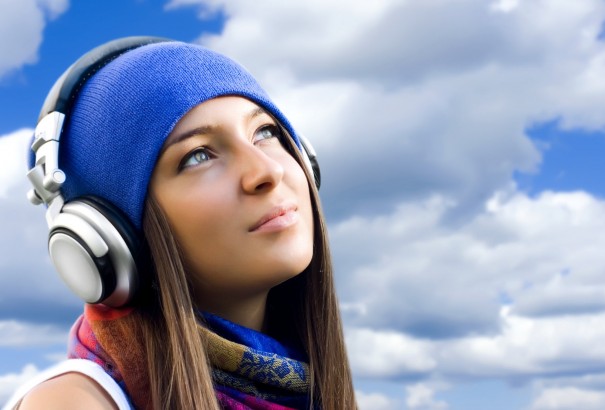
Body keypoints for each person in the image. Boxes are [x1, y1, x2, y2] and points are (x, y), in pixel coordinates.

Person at [5, 37, 356, 409]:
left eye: (265, 133)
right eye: (197, 156)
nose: (266, 171)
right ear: (113, 237)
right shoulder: (75, 402)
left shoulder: (307, 386)